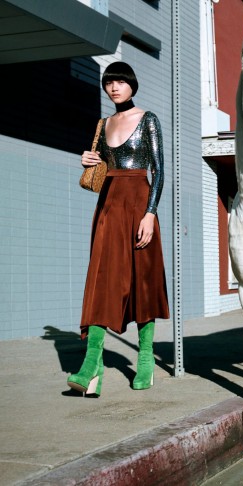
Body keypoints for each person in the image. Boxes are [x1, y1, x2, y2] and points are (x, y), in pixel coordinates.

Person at [67, 62, 170, 396]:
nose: (114, 87)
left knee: (143, 278)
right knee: (102, 278)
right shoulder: (103, 124)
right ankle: (92, 364)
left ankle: (145, 359)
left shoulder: (148, 119)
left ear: (131, 85)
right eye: (109, 82)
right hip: (108, 207)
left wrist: (150, 214)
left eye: (120, 81)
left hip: (140, 204)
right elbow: (100, 165)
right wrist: (88, 160)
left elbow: (159, 170)